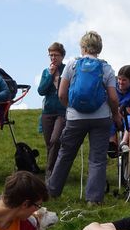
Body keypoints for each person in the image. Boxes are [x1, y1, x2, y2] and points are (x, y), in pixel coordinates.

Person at [48, 31, 122, 205]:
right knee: (97, 158)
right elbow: (112, 97)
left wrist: (70, 108)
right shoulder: (106, 68)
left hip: (75, 118)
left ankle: (52, 192)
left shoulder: (72, 65)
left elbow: (61, 93)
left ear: (82, 47)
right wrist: (116, 114)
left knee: (65, 154)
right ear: (99, 48)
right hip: (101, 118)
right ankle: (93, 199)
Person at [37, 42, 67, 184]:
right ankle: (55, 174)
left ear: (62, 56)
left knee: (56, 140)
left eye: (56, 55)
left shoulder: (67, 70)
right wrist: (50, 76)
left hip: (62, 111)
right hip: (48, 112)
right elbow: (41, 91)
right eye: (51, 55)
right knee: (50, 144)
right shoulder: (46, 71)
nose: (53, 58)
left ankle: (49, 175)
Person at [111, 64, 130, 154]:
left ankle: (124, 142)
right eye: (119, 79)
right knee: (109, 120)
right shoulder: (113, 88)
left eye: (124, 80)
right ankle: (112, 143)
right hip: (115, 114)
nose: (120, 82)